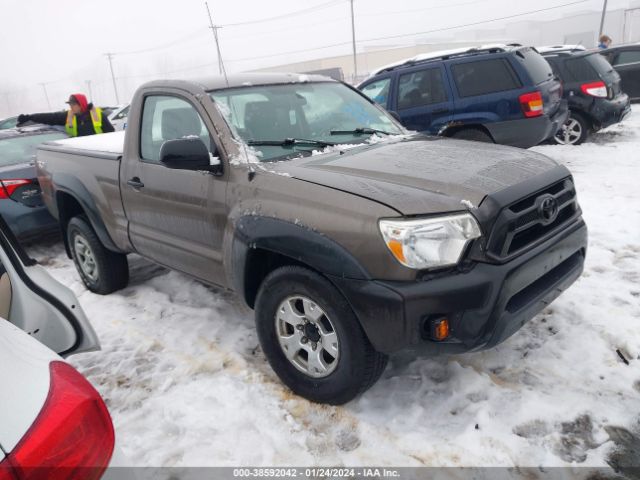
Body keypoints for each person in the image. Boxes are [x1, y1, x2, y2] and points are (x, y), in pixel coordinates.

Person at [16, 93, 114, 137]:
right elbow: (49, 117)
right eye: (70, 104)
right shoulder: (68, 116)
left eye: (73, 104)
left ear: (81, 104)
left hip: (100, 151)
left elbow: (111, 133)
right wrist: (29, 117)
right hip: (82, 153)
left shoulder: (98, 115)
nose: (71, 107)